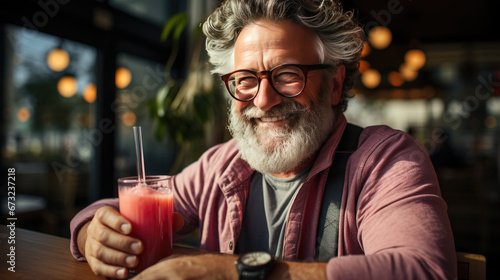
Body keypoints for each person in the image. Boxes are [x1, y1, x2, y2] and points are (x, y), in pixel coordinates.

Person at [70, 0, 457, 279]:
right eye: (245, 80)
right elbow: (120, 209)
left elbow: (423, 271)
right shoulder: (221, 164)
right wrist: (93, 233)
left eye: (288, 75)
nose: (263, 100)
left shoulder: (385, 161)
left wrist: (232, 271)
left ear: (335, 84)